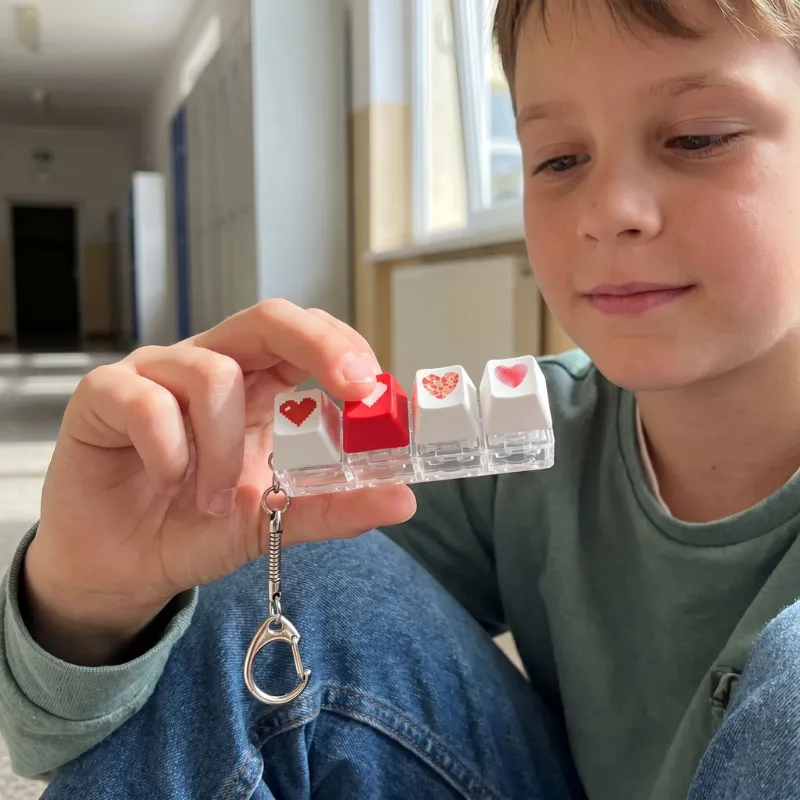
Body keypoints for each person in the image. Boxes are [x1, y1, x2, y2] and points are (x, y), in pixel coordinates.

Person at [5, 0, 800, 796]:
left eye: (700, 138)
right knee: (271, 543)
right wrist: (93, 598)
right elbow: (61, 734)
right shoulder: (529, 436)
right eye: (559, 159)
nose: (608, 211)